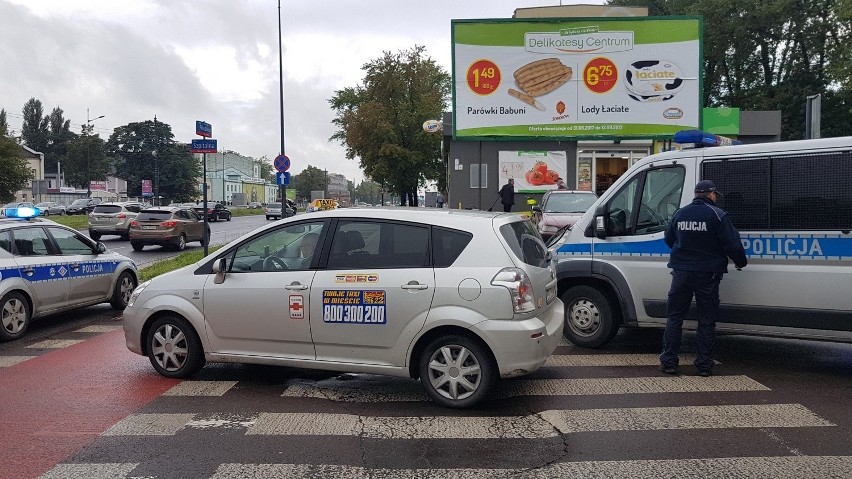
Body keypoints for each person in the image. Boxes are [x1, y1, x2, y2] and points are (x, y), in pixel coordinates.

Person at [660, 180, 747, 377]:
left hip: (681, 273)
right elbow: (732, 244)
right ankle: (703, 366)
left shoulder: (681, 213)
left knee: (674, 318)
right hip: (707, 275)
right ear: (711, 194)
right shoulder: (718, 215)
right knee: (706, 321)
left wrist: (684, 252)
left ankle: (669, 363)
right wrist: (740, 262)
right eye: (715, 194)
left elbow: (669, 238)